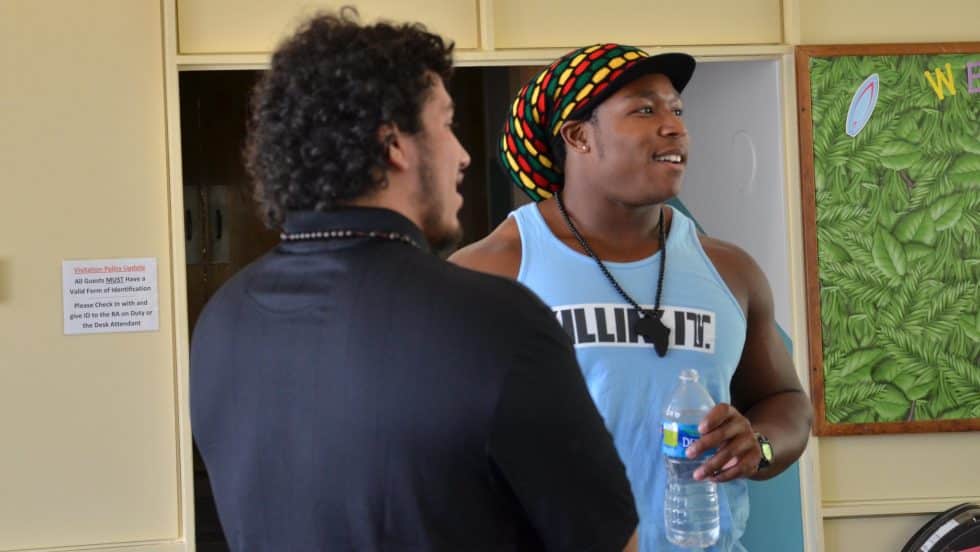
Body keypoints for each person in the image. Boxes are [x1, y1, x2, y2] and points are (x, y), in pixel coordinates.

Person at [190, 13, 641, 552]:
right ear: (394, 146)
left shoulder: (223, 317)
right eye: (445, 123)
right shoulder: (496, 322)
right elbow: (610, 543)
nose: (463, 154)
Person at [451, 43, 814, 551]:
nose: (674, 126)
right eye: (645, 109)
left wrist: (761, 444)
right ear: (578, 136)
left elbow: (788, 401)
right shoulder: (492, 270)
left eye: (677, 110)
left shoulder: (730, 270)